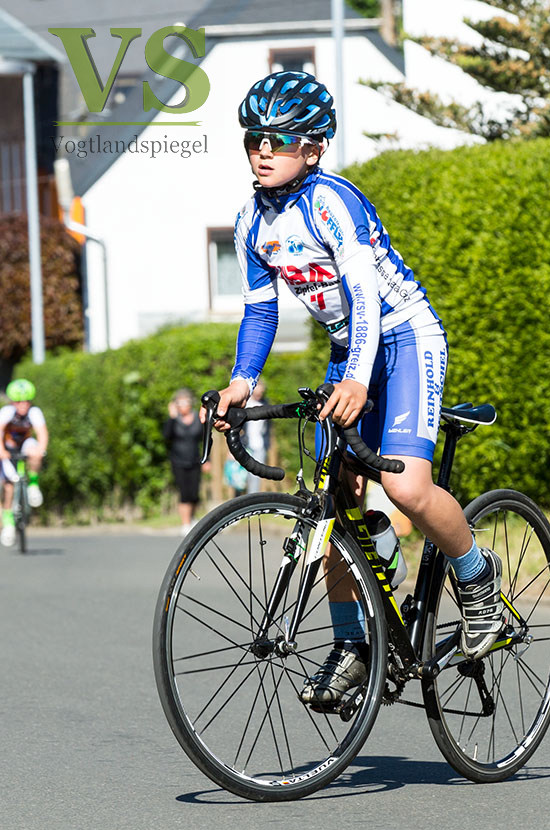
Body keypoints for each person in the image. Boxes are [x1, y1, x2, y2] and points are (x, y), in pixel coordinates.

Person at [206, 71, 504, 706]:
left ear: (313, 148)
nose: (263, 150)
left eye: (279, 140)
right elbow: (260, 313)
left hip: (404, 338)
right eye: (253, 138)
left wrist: (360, 381)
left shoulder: (332, 201)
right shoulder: (249, 222)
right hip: (353, 348)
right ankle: (356, 643)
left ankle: (481, 587)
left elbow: (366, 303)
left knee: (408, 488)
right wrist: (241, 381)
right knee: (332, 504)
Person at [0, 379, 48, 547]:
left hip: (25, 446)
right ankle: (8, 524)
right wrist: (2, 451)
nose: (23, 405)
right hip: (7, 448)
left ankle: (33, 486)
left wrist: (41, 451)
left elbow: (42, 433)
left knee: (35, 452)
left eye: (26, 401)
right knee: (8, 486)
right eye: (19, 401)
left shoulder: (34, 412)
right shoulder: (6, 412)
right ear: (13, 402)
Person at [163, 389, 206, 535]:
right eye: (179, 403)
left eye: (185, 402)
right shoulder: (173, 421)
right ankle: (185, 523)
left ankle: (192, 517)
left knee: (194, 493)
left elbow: (205, 440)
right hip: (178, 461)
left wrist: (207, 459)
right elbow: (166, 436)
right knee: (184, 493)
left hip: (194, 460)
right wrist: (172, 417)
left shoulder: (197, 418)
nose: (183, 405)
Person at [223, 379, 271, 496]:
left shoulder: (266, 404)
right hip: (245, 445)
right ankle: (238, 502)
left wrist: (267, 443)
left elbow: (268, 427)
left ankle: (252, 501)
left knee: (255, 476)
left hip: (259, 445)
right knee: (239, 476)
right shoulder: (243, 405)